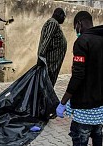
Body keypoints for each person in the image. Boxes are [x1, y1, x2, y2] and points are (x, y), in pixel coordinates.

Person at [56, 11, 103, 146]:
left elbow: (78, 75)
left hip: (84, 108)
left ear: (79, 24)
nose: (76, 30)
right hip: (100, 108)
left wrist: (63, 102)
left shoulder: (82, 41)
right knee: (98, 138)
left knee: (80, 138)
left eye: (75, 27)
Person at [37, 8, 67, 86]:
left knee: (49, 83)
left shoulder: (54, 23)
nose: (64, 19)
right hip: (50, 62)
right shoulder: (53, 23)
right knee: (47, 83)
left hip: (53, 63)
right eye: (63, 17)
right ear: (59, 15)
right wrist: (41, 57)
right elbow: (46, 40)